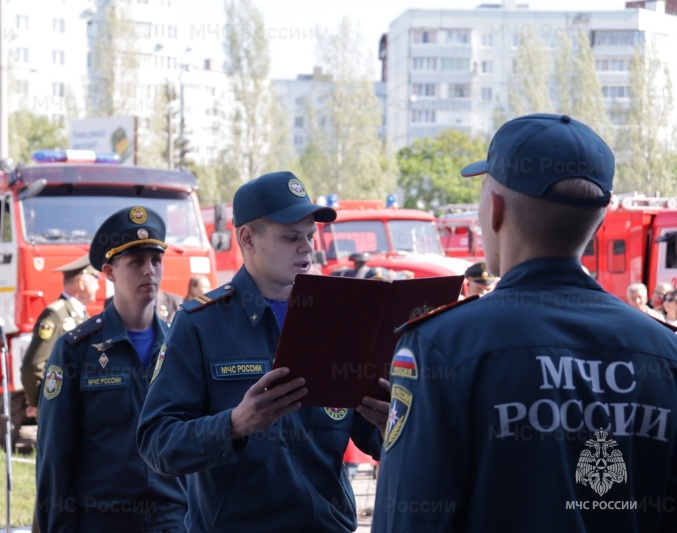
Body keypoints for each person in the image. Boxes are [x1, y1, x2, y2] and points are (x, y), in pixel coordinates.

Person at [372, 114, 677, 532]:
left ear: (494, 209)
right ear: (600, 222)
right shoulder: (665, 352)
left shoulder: (441, 345)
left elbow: (407, 520)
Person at [137, 171, 388, 532]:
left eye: (309, 236)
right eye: (290, 237)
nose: (306, 248)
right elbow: (156, 442)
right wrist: (234, 425)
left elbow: (369, 433)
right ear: (247, 238)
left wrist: (392, 426)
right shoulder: (200, 324)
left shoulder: (335, 320)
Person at [35, 206, 187, 532]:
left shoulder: (182, 346)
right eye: (136, 262)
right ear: (109, 272)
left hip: (172, 519)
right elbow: (54, 455)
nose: (150, 270)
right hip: (103, 519)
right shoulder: (75, 350)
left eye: (156, 260)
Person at [20, 254, 100, 419]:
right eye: (95, 280)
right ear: (82, 283)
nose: (98, 286)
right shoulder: (55, 315)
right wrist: (39, 401)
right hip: (59, 405)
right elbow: (33, 364)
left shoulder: (82, 315)